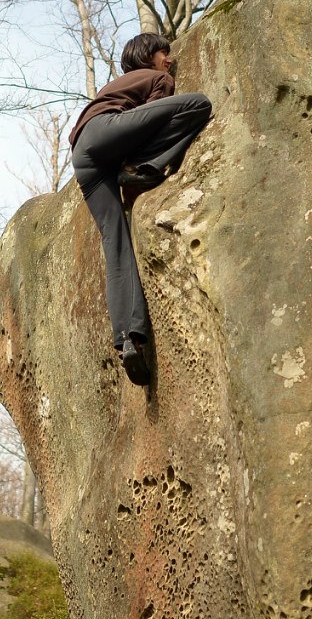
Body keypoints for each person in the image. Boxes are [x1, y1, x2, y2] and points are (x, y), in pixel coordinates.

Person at [68, 33, 212, 386]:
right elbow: (155, 123)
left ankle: (128, 340)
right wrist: (143, 168)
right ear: (149, 56)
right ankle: (140, 168)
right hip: (107, 134)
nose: (170, 60)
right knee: (199, 104)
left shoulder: (115, 86)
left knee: (116, 245)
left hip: (83, 160)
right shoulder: (157, 78)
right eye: (165, 53)